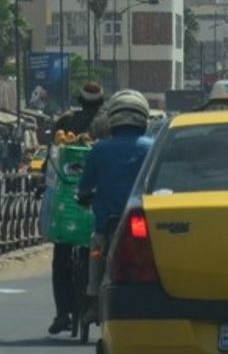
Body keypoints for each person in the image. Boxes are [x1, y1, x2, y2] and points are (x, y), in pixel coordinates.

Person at [76, 90, 153, 321]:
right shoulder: (152, 147)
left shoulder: (100, 148)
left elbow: (85, 185)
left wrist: (84, 196)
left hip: (106, 223)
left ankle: (92, 297)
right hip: (142, 223)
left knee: (96, 248)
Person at [45, 82, 104, 335]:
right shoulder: (106, 124)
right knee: (102, 254)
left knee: (61, 258)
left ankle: (62, 313)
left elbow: (51, 159)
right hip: (96, 202)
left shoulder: (66, 121)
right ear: (101, 103)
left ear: (80, 100)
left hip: (68, 201)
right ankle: (95, 304)